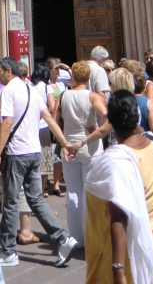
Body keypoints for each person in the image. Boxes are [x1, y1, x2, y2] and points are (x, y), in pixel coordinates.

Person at [84, 90, 153, 284]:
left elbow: (119, 218)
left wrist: (118, 269)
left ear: (110, 122)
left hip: (133, 255)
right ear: (137, 116)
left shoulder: (116, 161)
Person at [0, 56, 76, 268]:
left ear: (8, 71)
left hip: (17, 153)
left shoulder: (8, 91)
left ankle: (9, 251)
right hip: (34, 152)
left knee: (10, 202)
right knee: (36, 199)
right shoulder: (30, 89)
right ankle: (63, 238)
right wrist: (64, 143)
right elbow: (48, 117)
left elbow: (7, 123)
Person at [59, 60, 109, 247]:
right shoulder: (93, 96)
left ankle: (76, 237)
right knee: (90, 191)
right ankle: (91, 235)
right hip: (90, 147)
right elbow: (107, 116)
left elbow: (56, 118)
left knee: (72, 192)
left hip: (69, 145)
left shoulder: (63, 95)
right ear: (89, 77)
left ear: (73, 77)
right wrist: (96, 129)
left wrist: (63, 142)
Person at [30, 62, 56, 195]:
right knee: (45, 155)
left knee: (33, 155)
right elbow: (52, 106)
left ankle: (34, 188)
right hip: (44, 125)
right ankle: (44, 188)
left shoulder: (29, 86)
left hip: (31, 125)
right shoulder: (48, 87)